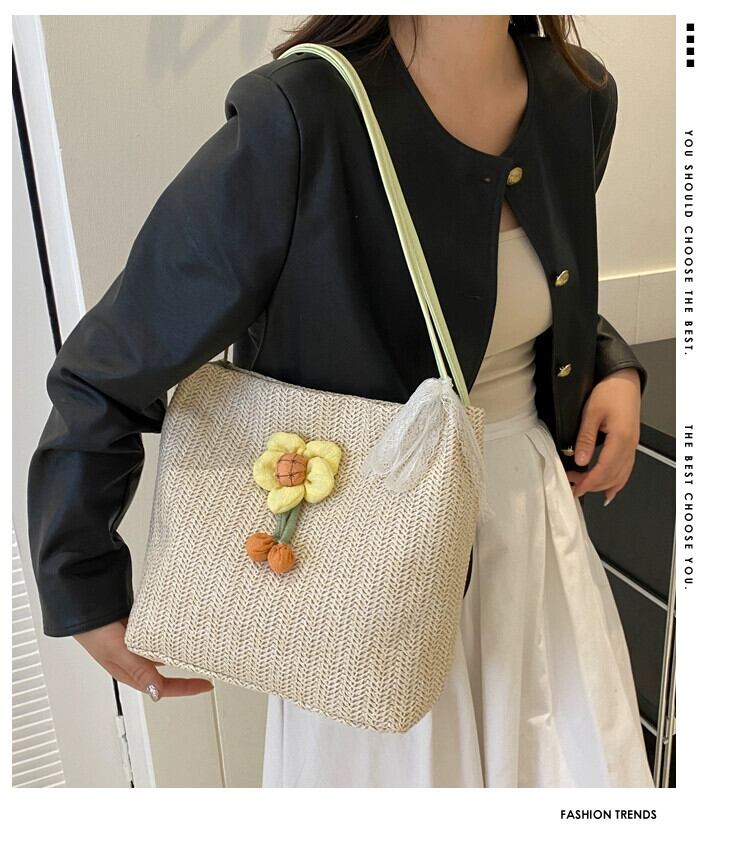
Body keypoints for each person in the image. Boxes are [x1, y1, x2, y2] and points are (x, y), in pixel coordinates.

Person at [27, 14, 654, 787]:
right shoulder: (301, 116)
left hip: (534, 542)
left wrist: (610, 364)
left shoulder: (578, 95)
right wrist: (81, 581)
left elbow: (515, 290)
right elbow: (114, 358)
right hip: (361, 572)